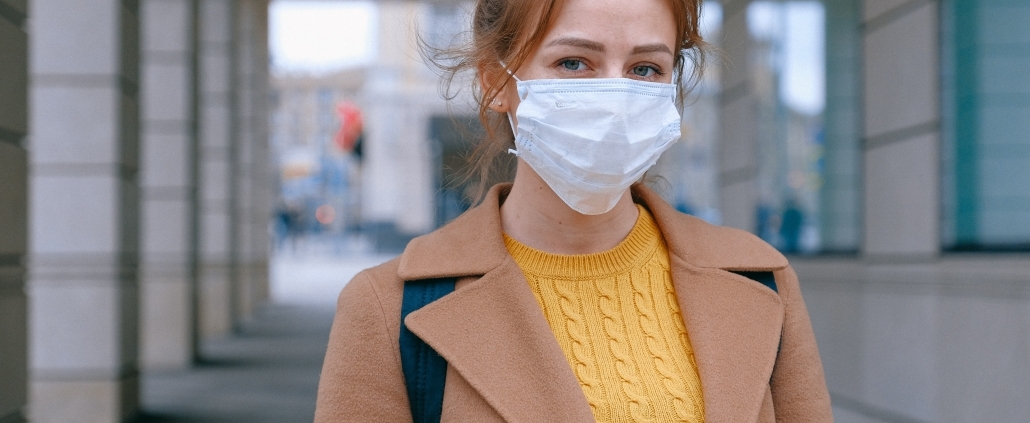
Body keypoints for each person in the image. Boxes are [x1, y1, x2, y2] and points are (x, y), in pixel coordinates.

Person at [314, 0, 833, 421]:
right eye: (574, 63)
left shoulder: (761, 280)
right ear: (497, 82)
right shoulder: (389, 310)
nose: (615, 95)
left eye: (645, 68)